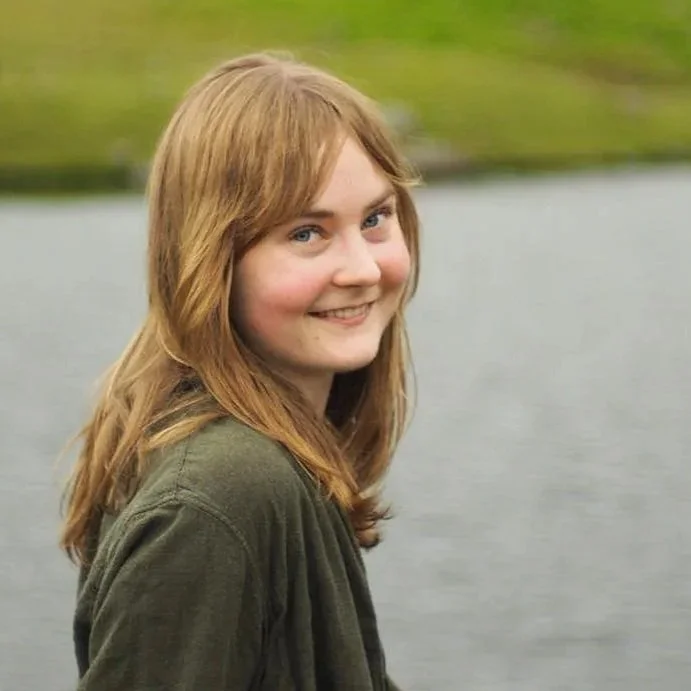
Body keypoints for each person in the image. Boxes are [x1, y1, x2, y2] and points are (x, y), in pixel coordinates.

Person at [60, 51, 421, 690]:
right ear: (212, 261)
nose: (364, 269)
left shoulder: (272, 466)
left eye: (375, 219)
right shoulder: (218, 501)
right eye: (306, 233)